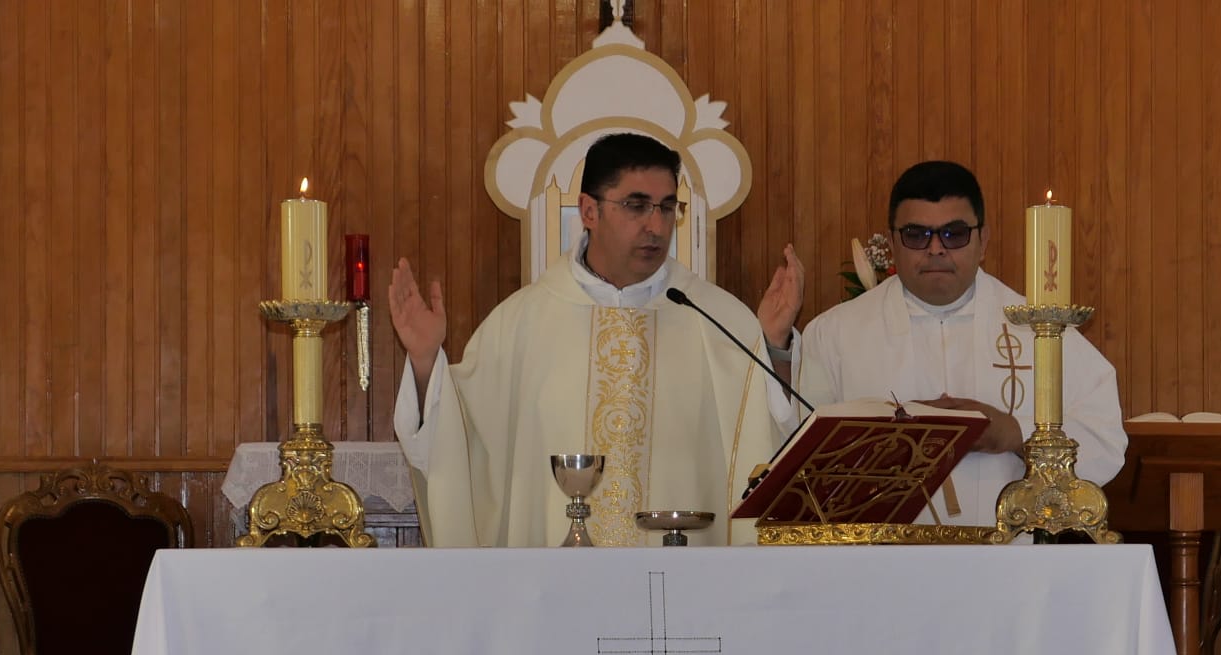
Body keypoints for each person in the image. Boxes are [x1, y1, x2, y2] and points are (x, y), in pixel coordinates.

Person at [388, 133, 803, 547]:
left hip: (682, 593)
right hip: (555, 593)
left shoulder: (715, 318)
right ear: (589, 210)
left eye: (667, 207)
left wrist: (773, 345)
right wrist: (425, 362)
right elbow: (458, 443)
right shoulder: (519, 324)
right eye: (636, 205)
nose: (656, 226)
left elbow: (769, 443)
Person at [793, 161, 1127, 528]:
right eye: (916, 235)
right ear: (891, 243)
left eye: (954, 234)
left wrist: (1015, 434)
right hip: (881, 561)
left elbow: (1106, 441)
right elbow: (800, 459)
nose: (936, 249)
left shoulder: (1039, 329)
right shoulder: (835, 334)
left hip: (1006, 558)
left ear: (983, 241)